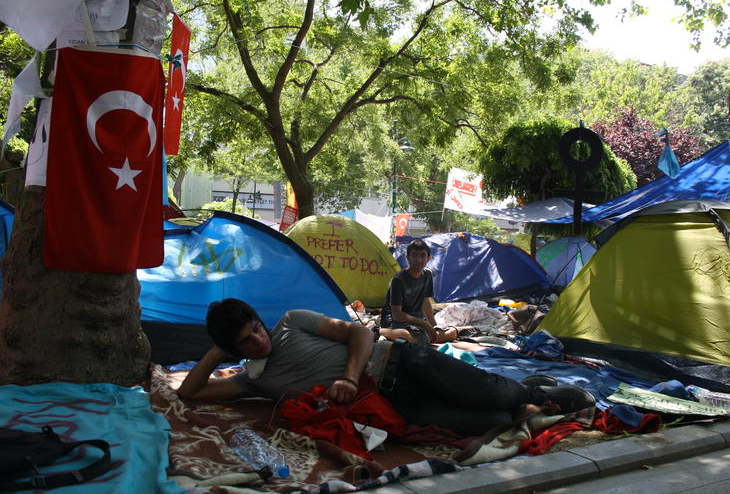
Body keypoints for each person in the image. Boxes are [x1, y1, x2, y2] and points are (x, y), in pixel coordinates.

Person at [177, 298, 595, 438]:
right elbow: (187, 394)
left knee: (494, 392)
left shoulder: (291, 322)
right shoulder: (253, 379)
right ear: (235, 347)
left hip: (399, 361)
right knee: (487, 420)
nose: (258, 340)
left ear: (258, 319)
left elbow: (359, 334)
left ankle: (536, 393)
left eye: (254, 328)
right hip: (392, 404)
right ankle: (525, 403)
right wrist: (217, 352)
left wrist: (348, 377)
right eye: (246, 341)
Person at [379, 238, 457, 344]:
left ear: (429, 258)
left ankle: (423, 337)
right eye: (414, 255)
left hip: (416, 323)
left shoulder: (427, 275)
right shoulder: (399, 279)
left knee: (452, 333)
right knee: (412, 337)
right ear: (407, 258)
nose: (419, 260)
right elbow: (396, 314)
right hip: (395, 322)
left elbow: (426, 303)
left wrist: (434, 327)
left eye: (423, 256)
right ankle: (378, 331)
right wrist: (423, 323)